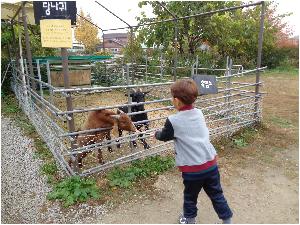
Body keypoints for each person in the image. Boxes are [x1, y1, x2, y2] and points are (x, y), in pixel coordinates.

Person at [154, 79, 233, 224]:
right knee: (217, 194)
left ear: (177, 101)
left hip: (192, 170)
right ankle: (227, 221)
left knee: (190, 198)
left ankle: (189, 220)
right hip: (210, 165)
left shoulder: (173, 120)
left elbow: (165, 136)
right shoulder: (199, 113)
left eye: (172, 98)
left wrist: (156, 134)